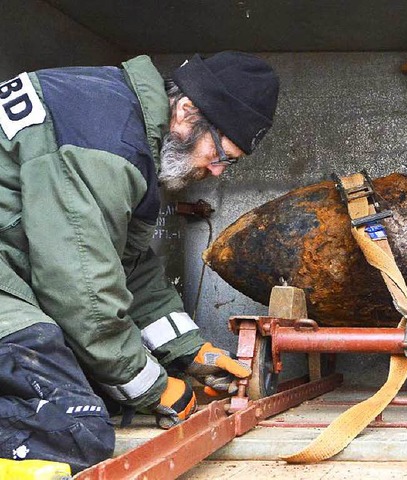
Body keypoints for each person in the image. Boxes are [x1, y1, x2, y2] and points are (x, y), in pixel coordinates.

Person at [0, 51, 279, 473]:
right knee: (73, 426)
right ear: (187, 111)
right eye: (222, 154)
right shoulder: (105, 141)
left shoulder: (121, 125)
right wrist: (155, 388)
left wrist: (189, 351)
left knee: (96, 389)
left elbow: (125, 264)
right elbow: (82, 290)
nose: (219, 172)